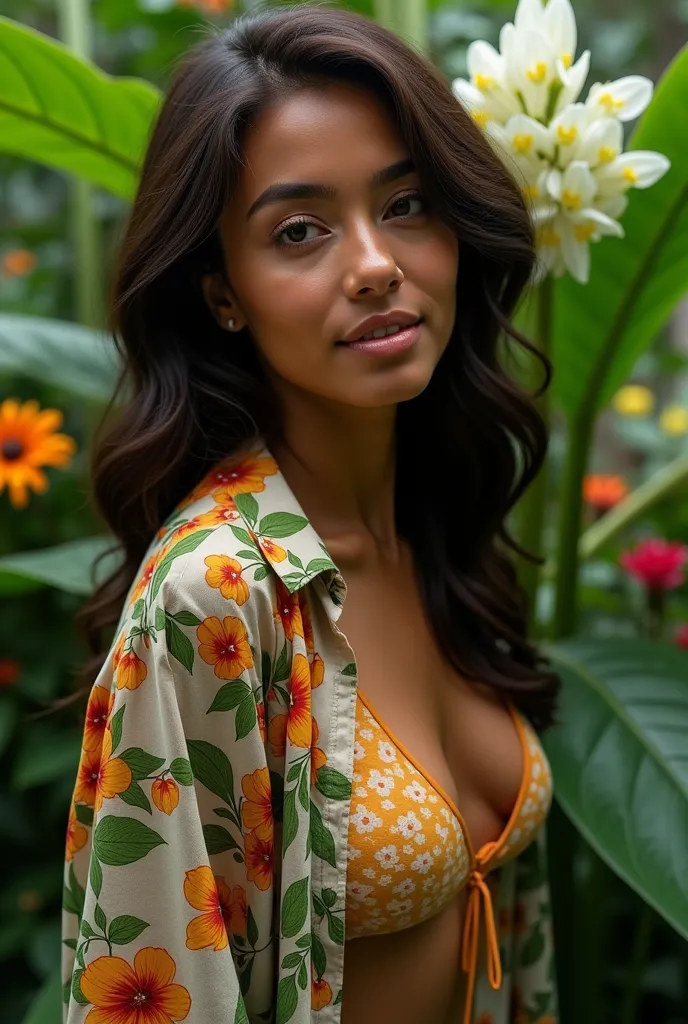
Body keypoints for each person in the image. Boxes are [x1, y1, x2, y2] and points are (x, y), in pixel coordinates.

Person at [62, 4, 561, 1023]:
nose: (376, 262)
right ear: (222, 294)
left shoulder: (429, 525)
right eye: (300, 231)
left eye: (409, 204)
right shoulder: (219, 593)